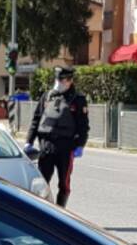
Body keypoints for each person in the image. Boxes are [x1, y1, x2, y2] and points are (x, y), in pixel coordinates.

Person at [25, 66, 89, 207]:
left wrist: (80, 145)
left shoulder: (78, 100)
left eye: (62, 79)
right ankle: (42, 210)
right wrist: (28, 141)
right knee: (42, 182)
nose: (59, 82)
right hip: (46, 146)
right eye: (57, 79)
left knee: (64, 184)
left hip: (66, 147)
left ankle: (61, 212)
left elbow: (83, 125)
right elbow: (36, 120)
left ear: (70, 81)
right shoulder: (47, 96)